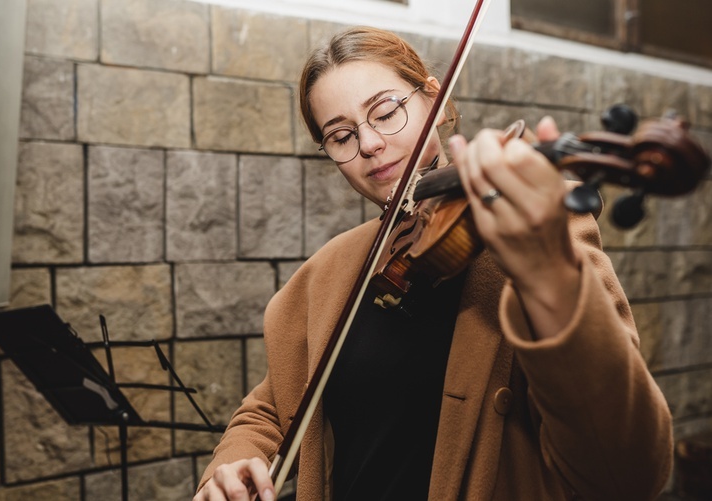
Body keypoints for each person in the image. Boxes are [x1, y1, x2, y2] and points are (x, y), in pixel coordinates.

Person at [194, 27, 673, 501]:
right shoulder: (329, 271)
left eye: (384, 112)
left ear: (436, 101)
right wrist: (235, 462)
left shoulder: (540, 230)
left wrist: (548, 274)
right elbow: (270, 410)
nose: (369, 144)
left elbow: (627, 473)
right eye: (340, 135)